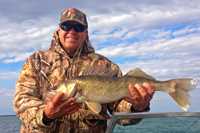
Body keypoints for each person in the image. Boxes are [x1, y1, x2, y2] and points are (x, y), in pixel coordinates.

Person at [13, 8, 155, 133]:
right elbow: (21, 101)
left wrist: (137, 108)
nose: (72, 31)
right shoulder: (36, 61)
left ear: (86, 33)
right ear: (59, 30)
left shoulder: (107, 66)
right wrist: (45, 114)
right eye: (66, 26)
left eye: (79, 28)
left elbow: (120, 115)